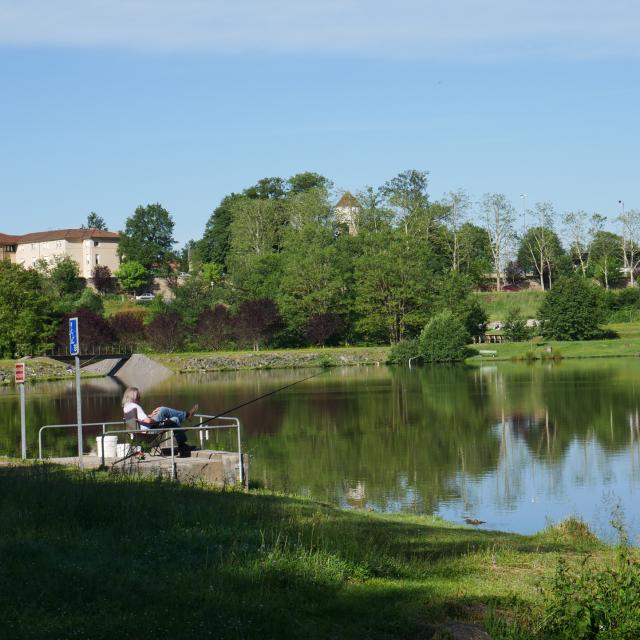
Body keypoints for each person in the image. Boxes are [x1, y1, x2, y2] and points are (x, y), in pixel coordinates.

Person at [121, 386, 198, 458]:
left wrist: (150, 415)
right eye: (138, 397)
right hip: (149, 432)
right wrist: (161, 421)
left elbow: (138, 419)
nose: (140, 398)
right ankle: (183, 446)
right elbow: (148, 421)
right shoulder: (135, 406)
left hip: (139, 433)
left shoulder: (126, 407)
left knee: (166, 413)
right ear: (133, 397)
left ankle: (186, 416)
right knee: (170, 416)